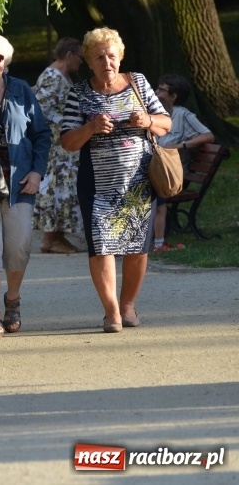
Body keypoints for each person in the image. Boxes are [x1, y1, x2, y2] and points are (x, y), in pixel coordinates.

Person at [60, 27, 171, 333]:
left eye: (111, 55)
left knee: (137, 247)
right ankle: (111, 312)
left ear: (120, 57)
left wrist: (147, 120)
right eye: (99, 57)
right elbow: (68, 141)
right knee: (101, 247)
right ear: (89, 61)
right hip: (97, 185)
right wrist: (91, 128)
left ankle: (128, 305)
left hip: (139, 181)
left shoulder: (138, 82)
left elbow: (165, 123)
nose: (106, 61)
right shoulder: (79, 93)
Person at [0, 32, 51, 339]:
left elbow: (42, 134)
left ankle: (12, 300)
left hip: (19, 182)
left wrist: (36, 173)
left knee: (18, 248)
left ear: (6, 60)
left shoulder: (21, 91)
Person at [152, 73, 215, 253]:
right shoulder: (156, 113)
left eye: (161, 90)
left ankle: (156, 242)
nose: (156, 92)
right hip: (157, 168)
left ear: (173, 96)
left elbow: (208, 135)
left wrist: (181, 145)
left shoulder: (183, 115)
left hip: (171, 173)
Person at [33, 37, 85, 254]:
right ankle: (49, 239)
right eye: (80, 57)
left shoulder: (61, 76)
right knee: (55, 190)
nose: (82, 63)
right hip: (55, 147)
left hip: (64, 147)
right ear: (69, 55)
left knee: (63, 191)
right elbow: (39, 110)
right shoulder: (52, 77)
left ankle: (57, 237)